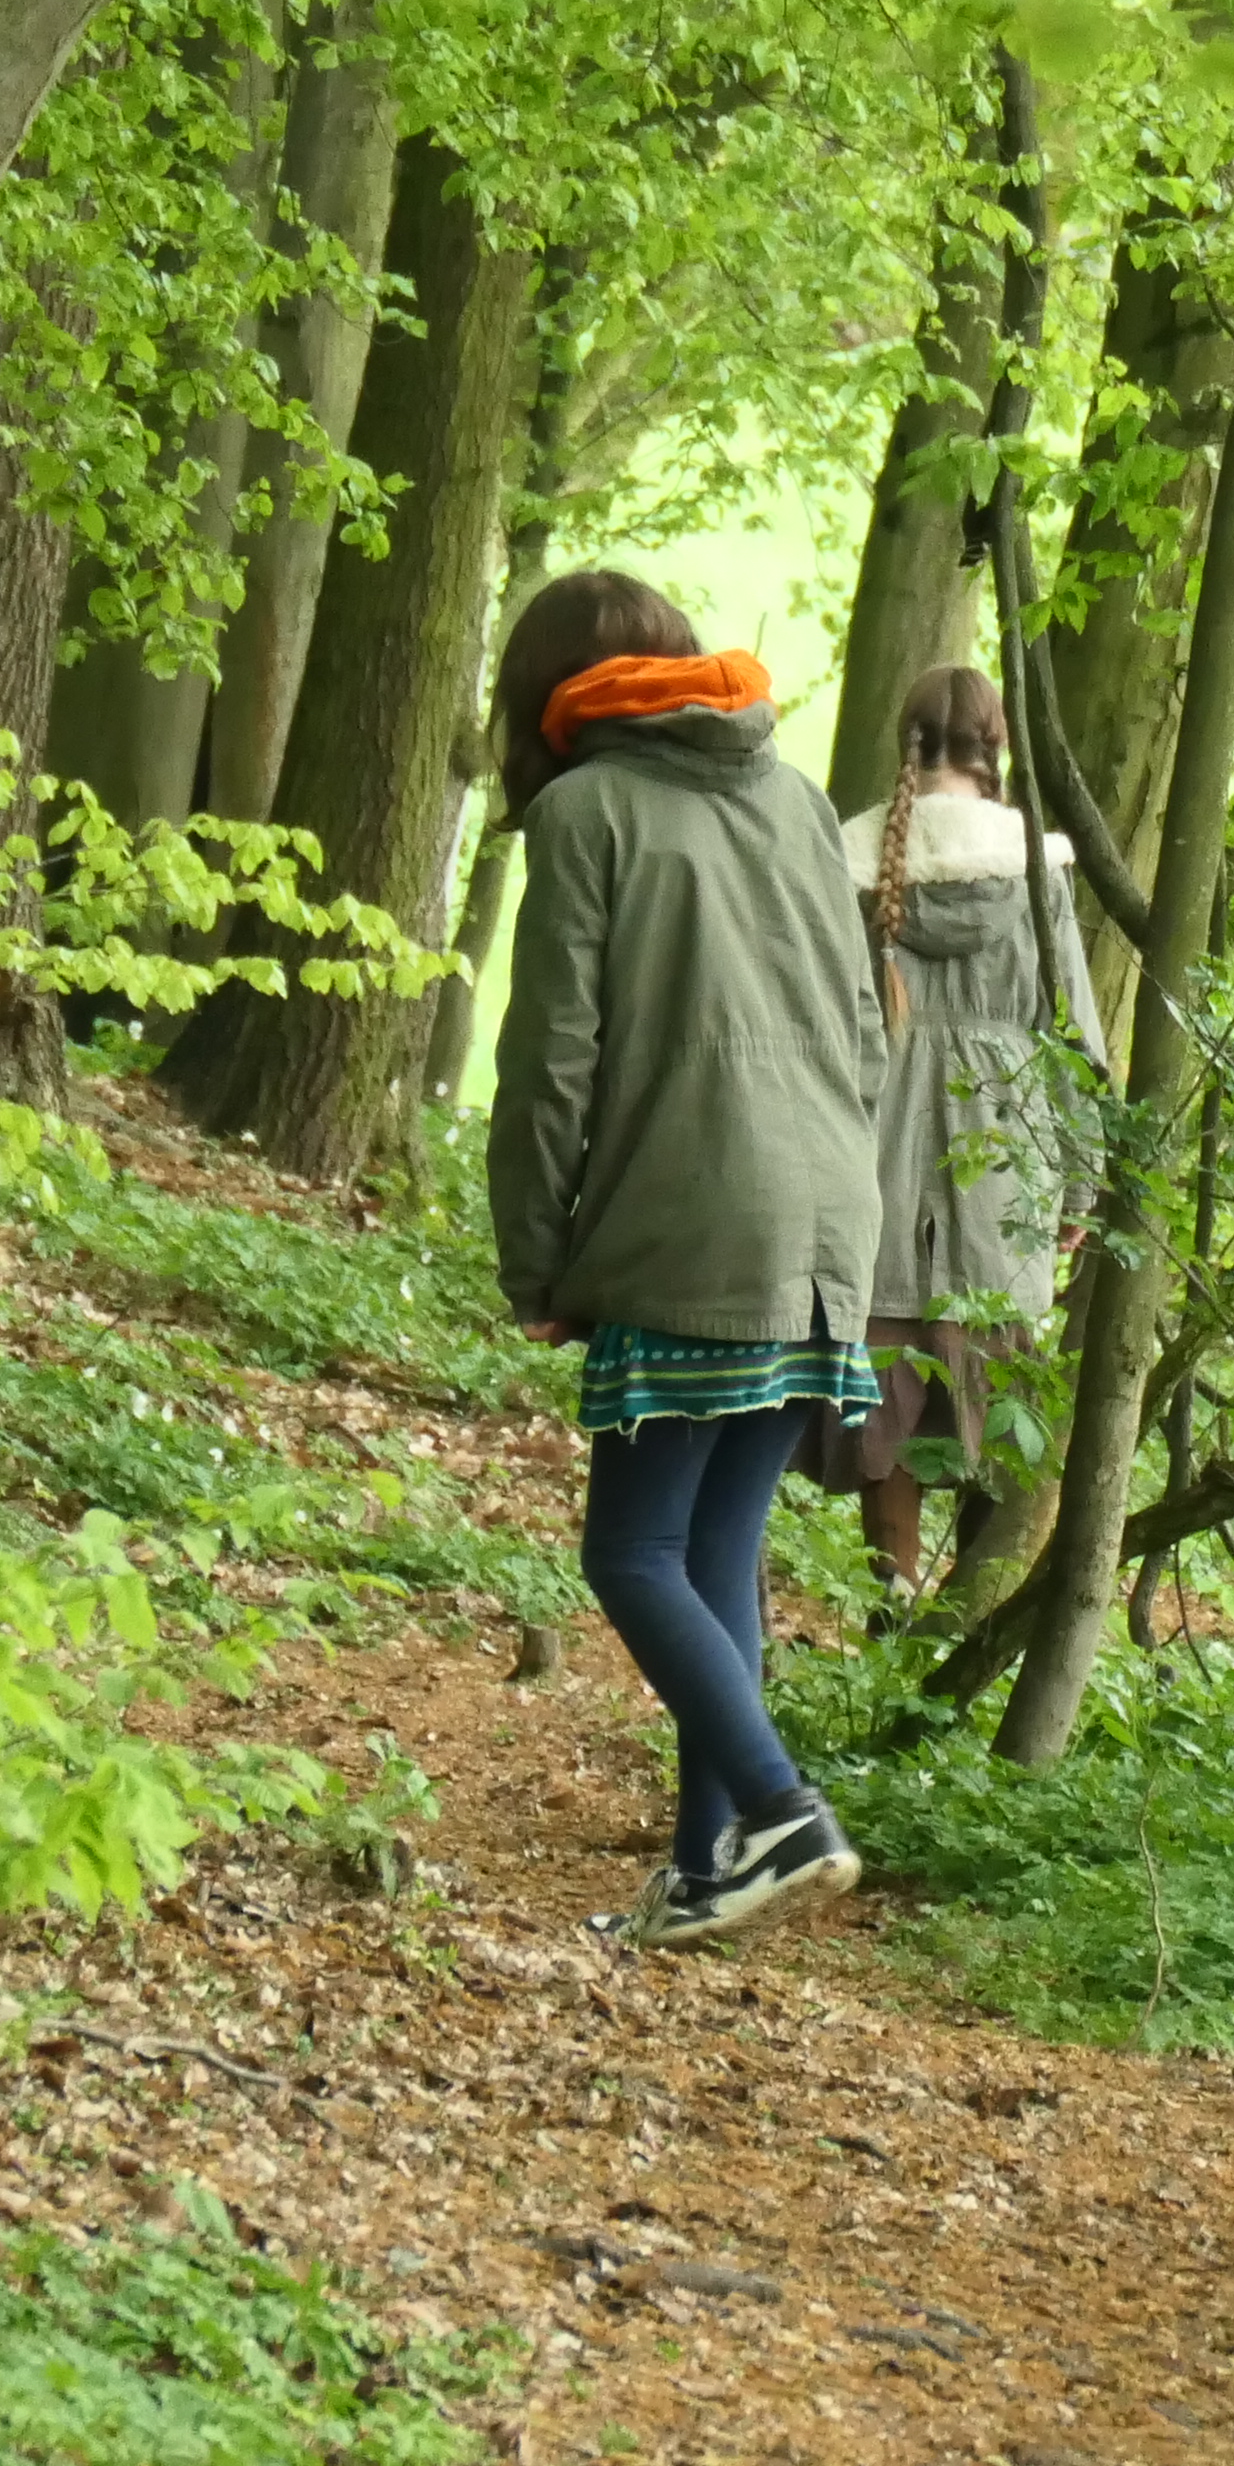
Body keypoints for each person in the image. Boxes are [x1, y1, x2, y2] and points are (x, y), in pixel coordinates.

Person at [484, 568, 891, 1949]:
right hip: (830, 1220)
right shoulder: (796, 801)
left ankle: (780, 1810)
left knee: (634, 1550)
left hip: (696, 1217)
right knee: (721, 1547)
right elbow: (866, 1028)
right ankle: (713, 1869)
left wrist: (536, 1262)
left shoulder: (583, 814)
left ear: (538, 698)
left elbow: (551, 1063)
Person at [807, 665, 1099, 1602]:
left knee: (883, 1399)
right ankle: (972, 1624)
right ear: (996, 748)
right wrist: (1081, 1187)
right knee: (1005, 1406)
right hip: (1006, 1171)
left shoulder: (846, 863)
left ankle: (890, 1599)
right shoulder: (1035, 869)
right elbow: (1075, 1037)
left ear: (907, 748)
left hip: (874, 1166)